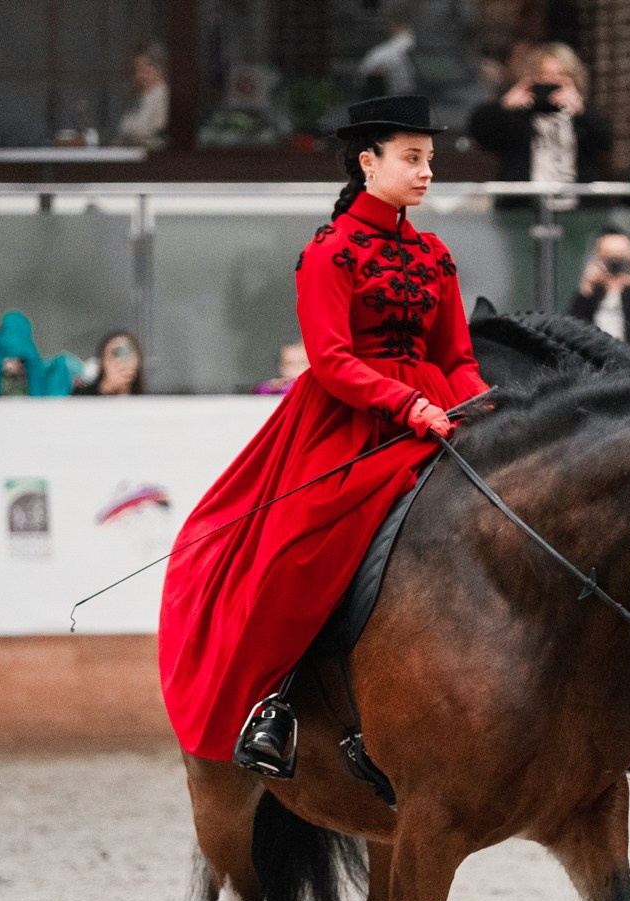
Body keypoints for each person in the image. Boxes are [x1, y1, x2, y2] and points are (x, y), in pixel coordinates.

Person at [159, 96, 489, 776]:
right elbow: (333, 361)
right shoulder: (330, 251)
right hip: (349, 422)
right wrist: (408, 404)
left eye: (430, 160)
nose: (428, 172)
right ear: (368, 162)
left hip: (437, 407)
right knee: (295, 554)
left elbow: (456, 355)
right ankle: (273, 706)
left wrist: (492, 407)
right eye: (413, 159)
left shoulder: (436, 254)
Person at [466, 43, 613, 185]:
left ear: (573, 78)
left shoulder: (581, 116)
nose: (551, 81)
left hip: (575, 204)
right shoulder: (519, 115)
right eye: (544, 74)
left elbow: (605, 142)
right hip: (524, 204)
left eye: (560, 74)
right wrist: (504, 106)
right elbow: (479, 133)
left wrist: (582, 112)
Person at [567, 226, 630, 353]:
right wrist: (585, 290)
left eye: (621, 257)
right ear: (597, 259)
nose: (615, 264)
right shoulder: (591, 293)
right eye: (608, 257)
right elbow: (571, 332)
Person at [115, 43, 169, 148]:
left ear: (159, 69)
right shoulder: (142, 98)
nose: (139, 76)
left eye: (144, 70)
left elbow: (158, 138)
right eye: (137, 70)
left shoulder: (163, 96)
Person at [74, 330, 145, 395]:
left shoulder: (150, 402)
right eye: (115, 354)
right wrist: (106, 388)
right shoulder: (82, 397)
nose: (121, 362)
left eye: (127, 354)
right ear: (103, 362)